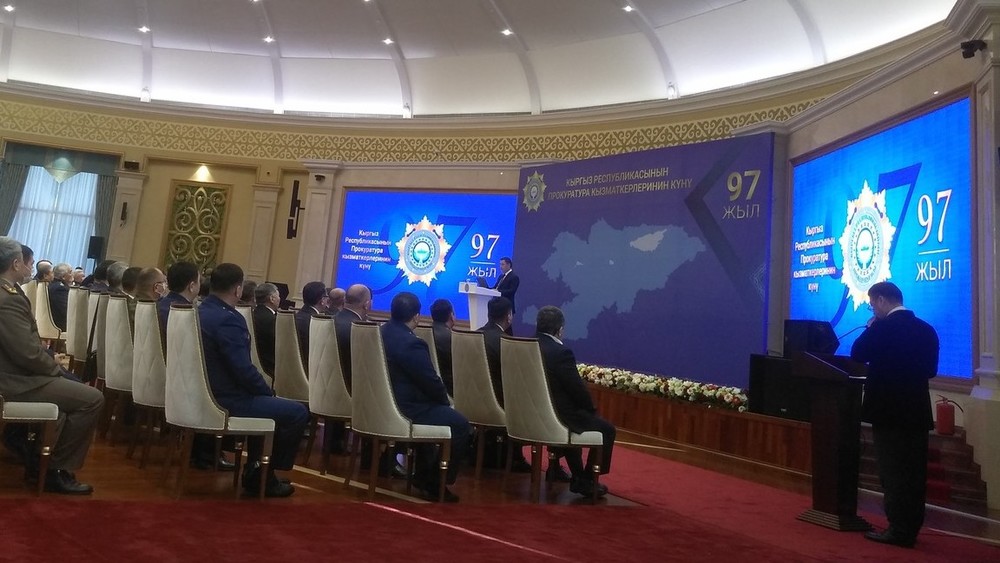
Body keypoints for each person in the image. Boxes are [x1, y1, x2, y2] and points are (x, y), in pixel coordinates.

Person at [0, 237, 104, 494]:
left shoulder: (9, 293)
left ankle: (39, 463)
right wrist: (54, 368)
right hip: (15, 381)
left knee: (69, 400)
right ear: (15, 263)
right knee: (92, 399)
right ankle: (54, 470)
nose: (29, 266)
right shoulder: (8, 298)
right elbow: (26, 354)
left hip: (14, 373)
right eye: (26, 262)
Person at [198, 263, 309, 497]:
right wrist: (266, 392)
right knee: (296, 412)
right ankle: (263, 474)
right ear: (237, 290)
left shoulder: (198, 311)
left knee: (269, 407)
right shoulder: (228, 319)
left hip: (200, 394)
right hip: (226, 399)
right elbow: (242, 369)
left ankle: (257, 469)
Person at [851, 281, 939, 548]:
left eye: (871, 305)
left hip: (887, 411)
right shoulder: (926, 329)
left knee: (893, 472)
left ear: (881, 300)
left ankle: (898, 529)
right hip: (916, 412)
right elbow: (931, 370)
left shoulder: (881, 328)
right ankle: (910, 528)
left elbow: (857, 354)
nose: (872, 310)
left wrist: (871, 328)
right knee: (914, 473)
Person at [381, 292, 469, 502]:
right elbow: (430, 382)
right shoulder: (412, 343)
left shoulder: (379, 332)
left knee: (436, 413)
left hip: (382, 404)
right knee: (460, 424)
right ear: (416, 316)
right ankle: (435, 481)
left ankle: (422, 475)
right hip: (406, 408)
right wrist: (445, 402)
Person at [535, 305, 615, 498]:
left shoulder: (524, 346)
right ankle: (586, 479)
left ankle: (567, 472)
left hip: (532, 414)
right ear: (560, 329)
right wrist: (591, 408)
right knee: (606, 429)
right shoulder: (560, 353)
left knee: (576, 419)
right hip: (558, 416)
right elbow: (577, 390)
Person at [475, 296, 533, 473]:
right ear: (508, 316)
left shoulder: (473, 335)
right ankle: (516, 457)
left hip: (469, 400)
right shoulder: (506, 342)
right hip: (498, 402)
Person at [334, 284, 371, 393]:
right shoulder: (362, 330)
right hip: (352, 391)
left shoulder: (328, 321)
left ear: (344, 300)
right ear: (366, 305)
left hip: (322, 387)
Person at [295, 281, 327, 368]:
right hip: (310, 368)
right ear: (322, 300)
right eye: (326, 297)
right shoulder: (316, 322)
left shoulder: (296, 316)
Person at [252, 282, 280, 378]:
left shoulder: (252, 314)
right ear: (272, 299)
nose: (279, 299)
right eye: (278, 296)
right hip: (269, 368)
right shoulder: (272, 320)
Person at [429, 298, 455, 395]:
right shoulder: (453, 338)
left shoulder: (423, 333)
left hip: (427, 386)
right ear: (451, 316)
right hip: (449, 389)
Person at [48, 263, 73, 331]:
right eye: (70, 272)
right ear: (63, 277)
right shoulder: (60, 289)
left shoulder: (53, 284)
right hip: (60, 326)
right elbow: (67, 310)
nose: (72, 274)